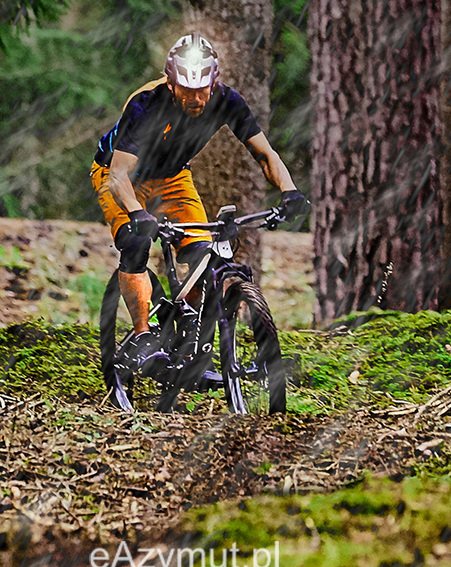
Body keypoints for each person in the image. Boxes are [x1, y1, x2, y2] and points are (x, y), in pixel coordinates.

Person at [91, 32, 309, 369]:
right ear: (171, 82)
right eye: (186, 90)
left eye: (202, 90)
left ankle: (189, 336)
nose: (195, 99)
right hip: (120, 175)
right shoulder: (145, 104)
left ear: (214, 82)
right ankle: (143, 335)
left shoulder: (228, 101)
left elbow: (265, 154)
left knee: (201, 254)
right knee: (135, 244)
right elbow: (119, 175)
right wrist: (136, 212)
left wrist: (289, 191)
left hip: (173, 177)